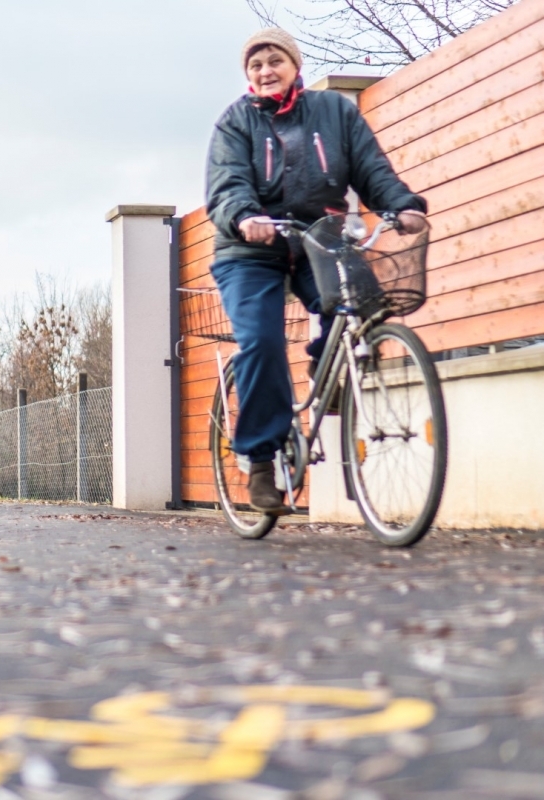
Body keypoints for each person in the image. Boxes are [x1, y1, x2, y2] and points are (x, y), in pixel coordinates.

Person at [205, 28, 427, 513]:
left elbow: (372, 169)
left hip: (314, 237)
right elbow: (225, 185)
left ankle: (329, 366)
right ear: (248, 74)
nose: (266, 71)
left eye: (274, 61)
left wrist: (402, 205)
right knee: (262, 341)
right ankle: (261, 461)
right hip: (249, 248)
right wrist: (245, 216)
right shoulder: (235, 123)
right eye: (256, 64)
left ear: (294, 65)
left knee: (362, 298)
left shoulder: (336, 112)